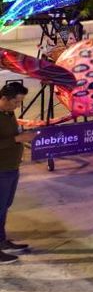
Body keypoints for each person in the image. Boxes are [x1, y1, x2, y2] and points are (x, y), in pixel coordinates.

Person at [0, 81, 32, 264]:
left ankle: (1, 241)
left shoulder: (8, 112)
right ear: (4, 98)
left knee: (4, 207)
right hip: (1, 169)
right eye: (16, 102)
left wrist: (22, 137)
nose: (18, 106)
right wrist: (17, 139)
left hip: (11, 168)